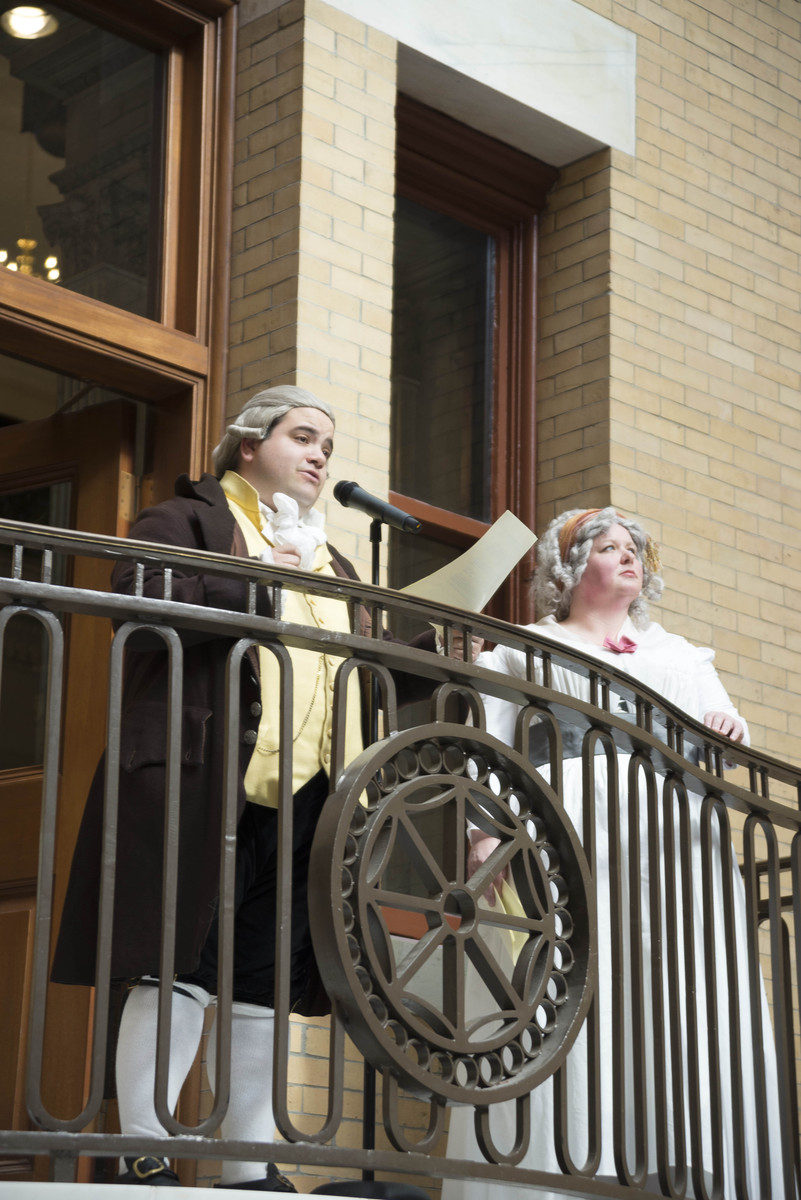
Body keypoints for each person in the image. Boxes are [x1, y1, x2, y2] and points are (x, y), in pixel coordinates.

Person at [52, 385, 479, 1190]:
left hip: (306, 800)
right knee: (175, 963)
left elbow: (365, 665)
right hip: (199, 775)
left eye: (328, 443)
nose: (321, 455)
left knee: (261, 980)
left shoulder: (335, 561)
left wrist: (436, 644)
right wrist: (254, 577)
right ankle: (143, 1146)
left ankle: (248, 1164)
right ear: (248, 444)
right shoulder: (188, 520)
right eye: (303, 436)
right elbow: (137, 597)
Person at [445, 506, 784, 1200]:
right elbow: (486, 750)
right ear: (569, 570)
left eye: (634, 547)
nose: (629, 556)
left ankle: (678, 1161)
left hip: (675, 846)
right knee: (578, 984)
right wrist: (484, 832)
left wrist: (727, 724)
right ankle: (565, 1170)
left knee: (678, 988)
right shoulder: (521, 648)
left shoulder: (680, 656)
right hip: (573, 834)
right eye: (608, 546)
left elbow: (728, 731)